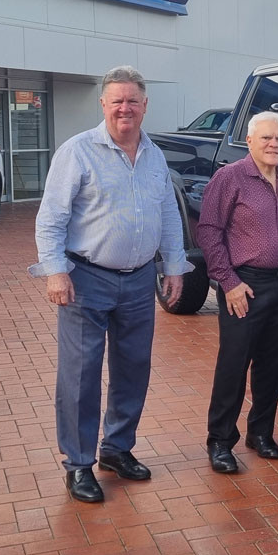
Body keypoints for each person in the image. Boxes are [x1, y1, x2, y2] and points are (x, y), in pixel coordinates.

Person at [29, 66, 192, 503]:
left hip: (139, 281)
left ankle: (116, 449)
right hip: (86, 279)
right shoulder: (78, 152)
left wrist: (174, 265)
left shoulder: (154, 155)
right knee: (81, 376)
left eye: (133, 100)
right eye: (117, 100)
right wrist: (56, 271)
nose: (125, 107)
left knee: (133, 368)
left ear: (144, 105)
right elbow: (51, 218)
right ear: (103, 104)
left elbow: (169, 216)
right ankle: (79, 464)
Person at [196, 111, 278, 474]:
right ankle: (220, 441)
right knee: (234, 364)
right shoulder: (229, 178)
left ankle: (261, 432)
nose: (274, 144)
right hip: (246, 286)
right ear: (249, 141)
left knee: (274, 364)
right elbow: (209, 232)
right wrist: (228, 283)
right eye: (266, 138)